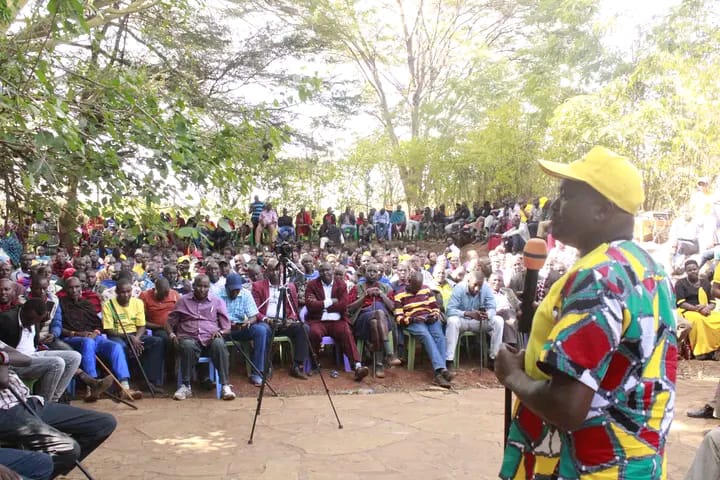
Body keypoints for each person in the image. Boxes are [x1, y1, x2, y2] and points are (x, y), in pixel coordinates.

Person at [494, 146, 677, 479]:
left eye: (566, 195)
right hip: (636, 465)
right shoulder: (648, 269)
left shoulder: (597, 277)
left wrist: (513, 376)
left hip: (587, 468)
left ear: (601, 211)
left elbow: (567, 406)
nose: (554, 204)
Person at [0, 340, 117, 478]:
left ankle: (46, 472)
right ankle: (38, 470)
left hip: (28, 400)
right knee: (67, 449)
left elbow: (25, 359)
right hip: (6, 411)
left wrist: (3, 357)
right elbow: (3, 381)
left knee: (104, 423)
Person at [166, 275, 236, 401]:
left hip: (210, 338)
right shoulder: (183, 301)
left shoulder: (217, 301)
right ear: (193, 286)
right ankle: (186, 385)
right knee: (187, 345)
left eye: (205, 286)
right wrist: (172, 335)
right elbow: (168, 322)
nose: (202, 289)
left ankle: (225, 386)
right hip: (189, 337)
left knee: (219, 344)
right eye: (199, 286)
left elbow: (227, 326)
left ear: (209, 287)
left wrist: (220, 332)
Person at [0, 299, 81, 403]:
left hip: (34, 354)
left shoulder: (35, 318)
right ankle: (43, 403)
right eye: (29, 319)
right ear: (23, 310)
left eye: (36, 321)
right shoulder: (7, 319)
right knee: (57, 363)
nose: (31, 323)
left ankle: (54, 399)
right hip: (16, 361)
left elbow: (32, 340)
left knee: (75, 357)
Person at [305, 262, 368, 381]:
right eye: (322, 271)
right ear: (319, 273)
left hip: (337, 320)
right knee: (313, 333)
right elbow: (310, 306)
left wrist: (322, 304)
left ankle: (357, 366)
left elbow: (343, 305)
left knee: (346, 332)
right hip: (318, 320)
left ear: (332, 270)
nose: (325, 273)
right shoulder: (312, 285)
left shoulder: (341, 284)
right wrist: (330, 302)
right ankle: (314, 363)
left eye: (328, 270)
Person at [102, 278, 165, 394]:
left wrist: (136, 338)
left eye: (128, 291)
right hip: (118, 335)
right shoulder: (108, 305)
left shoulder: (138, 303)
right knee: (121, 347)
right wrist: (129, 337)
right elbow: (109, 330)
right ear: (116, 292)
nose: (126, 295)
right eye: (122, 292)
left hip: (135, 335)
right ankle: (124, 384)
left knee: (157, 342)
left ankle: (148, 381)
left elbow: (142, 325)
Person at [250, 259, 310, 380]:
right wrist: (267, 319)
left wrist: (291, 319)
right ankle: (267, 366)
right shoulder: (258, 286)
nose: (276, 273)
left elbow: (294, 308)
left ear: (283, 271)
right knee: (263, 330)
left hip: (284, 322)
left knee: (304, 328)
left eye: (279, 270)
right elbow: (255, 310)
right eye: (273, 270)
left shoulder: (290, 287)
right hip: (267, 323)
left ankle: (297, 365)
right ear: (266, 271)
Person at [393, 270, 454, 388]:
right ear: (408, 282)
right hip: (413, 321)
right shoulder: (399, 295)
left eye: (419, 286)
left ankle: (440, 373)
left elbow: (435, 307)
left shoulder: (426, 289)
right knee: (426, 336)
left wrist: (434, 315)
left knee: (440, 337)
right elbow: (399, 318)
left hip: (429, 318)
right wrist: (412, 319)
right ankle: (440, 370)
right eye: (415, 286)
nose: (417, 289)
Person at [348, 262, 401, 378]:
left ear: (379, 274)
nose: (372, 274)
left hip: (384, 322)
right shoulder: (357, 288)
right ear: (364, 273)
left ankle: (379, 363)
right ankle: (388, 355)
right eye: (369, 271)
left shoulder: (386, 288)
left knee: (376, 320)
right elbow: (350, 308)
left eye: (374, 271)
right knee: (378, 313)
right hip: (362, 320)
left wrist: (382, 295)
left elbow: (393, 307)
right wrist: (365, 296)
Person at [221, 273, 273, 386]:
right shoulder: (217, 295)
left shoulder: (245, 294)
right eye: (232, 290)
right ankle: (220, 376)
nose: (235, 293)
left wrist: (248, 321)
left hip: (240, 328)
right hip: (222, 330)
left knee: (261, 330)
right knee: (216, 341)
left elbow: (253, 315)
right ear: (226, 288)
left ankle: (257, 372)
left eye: (237, 290)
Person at [445, 270, 503, 370]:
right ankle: (449, 360)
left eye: (480, 285)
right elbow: (449, 310)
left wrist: (487, 315)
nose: (477, 289)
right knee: (452, 321)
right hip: (462, 320)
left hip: (479, 321)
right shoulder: (459, 288)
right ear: (468, 281)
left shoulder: (486, 288)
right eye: (474, 285)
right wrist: (467, 313)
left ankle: (493, 359)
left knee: (498, 320)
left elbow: (492, 308)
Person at [676, 258, 720, 359]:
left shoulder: (705, 283)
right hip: (688, 310)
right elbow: (681, 303)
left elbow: (713, 303)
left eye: (694, 269)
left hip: (705, 309)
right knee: (699, 321)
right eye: (690, 270)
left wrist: (707, 308)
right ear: (686, 272)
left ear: (698, 269)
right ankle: (702, 352)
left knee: (717, 319)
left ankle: (715, 350)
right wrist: (698, 309)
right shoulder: (680, 283)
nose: (693, 272)